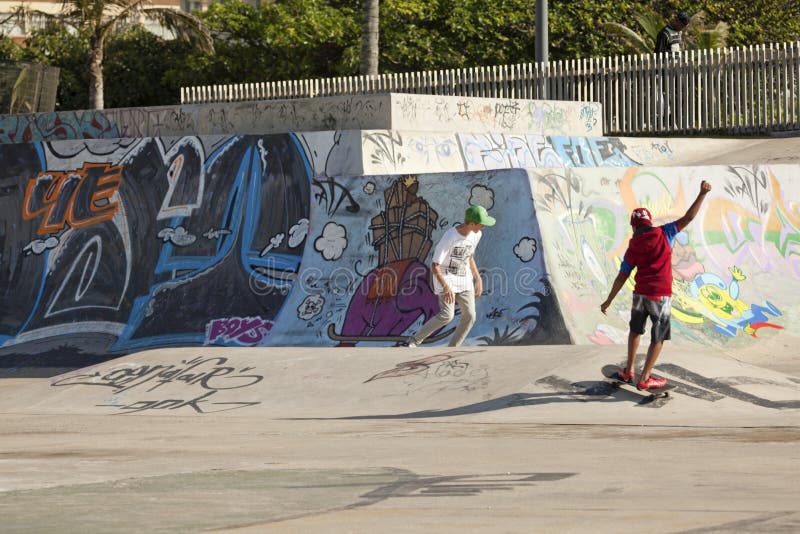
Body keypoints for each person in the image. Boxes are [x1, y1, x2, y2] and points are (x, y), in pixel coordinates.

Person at [600, 180, 712, 390]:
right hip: (661, 296)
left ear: (633, 226)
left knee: (635, 331)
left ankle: (629, 370)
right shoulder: (665, 232)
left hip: (640, 295)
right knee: (658, 337)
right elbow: (688, 217)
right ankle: (645, 379)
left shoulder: (633, 247)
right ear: (650, 222)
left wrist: (608, 300)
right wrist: (702, 194)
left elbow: (621, 276)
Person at [406, 205, 495, 347]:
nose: (483, 227)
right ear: (471, 224)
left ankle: (453, 348)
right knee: (447, 315)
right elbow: (435, 265)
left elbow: (469, 257)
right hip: (445, 277)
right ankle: (414, 340)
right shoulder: (450, 236)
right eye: (481, 224)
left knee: (470, 316)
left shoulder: (477, 234)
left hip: (464, 279)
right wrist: (446, 287)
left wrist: (477, 278)